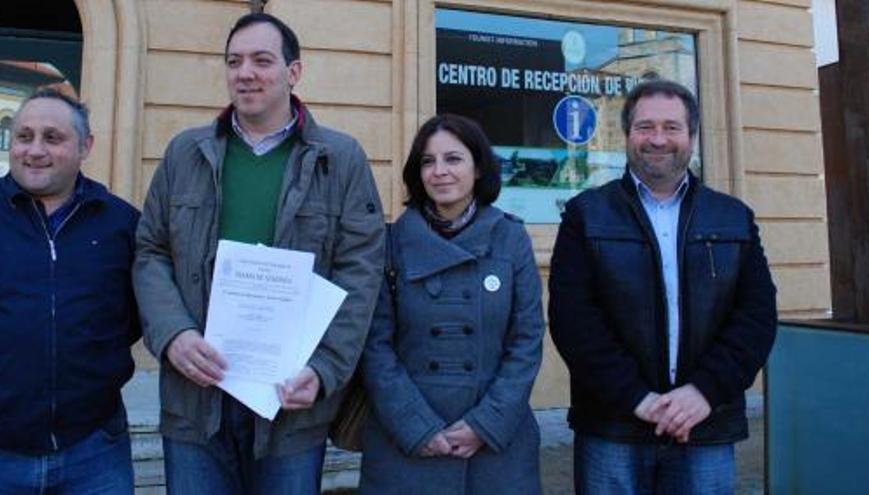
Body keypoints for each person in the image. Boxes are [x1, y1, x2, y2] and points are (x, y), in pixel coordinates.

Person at [133, 12, 385, 494]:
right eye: (234, 61)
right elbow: (150, 251)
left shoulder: (341, 158)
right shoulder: (184, 153)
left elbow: (361, 270)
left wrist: (325, 369)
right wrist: (174, 335)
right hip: (195, 399)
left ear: (294, 72)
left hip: (289, 404)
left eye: (261, 60)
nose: (245, 72)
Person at [549, 78, 777, 494]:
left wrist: (703, 392)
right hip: (613, 426)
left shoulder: (734, 217)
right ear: (628, 135)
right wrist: (640, 400)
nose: (658, 139)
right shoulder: (585, 214)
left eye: (671, 127)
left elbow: (755, 319)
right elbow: (574, 321)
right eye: (645, 127)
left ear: (691, 136)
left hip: (706, 424)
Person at [359, 114, 545, 494]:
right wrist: (416, 426)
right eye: (428, 161)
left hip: (495, 447)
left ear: (478, 168)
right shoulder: (391, 242)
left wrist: (485, 425)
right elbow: (374, 345)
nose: (439, 172)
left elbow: (526, 341)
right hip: (406, 444)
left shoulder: (511, 238)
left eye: (453, 159)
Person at [0, 89, 140, 493]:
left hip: (94, 451)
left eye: (53, 138)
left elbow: (133, 318)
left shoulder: (121, 224)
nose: (34, 150)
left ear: (85, 146)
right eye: (24, 136)